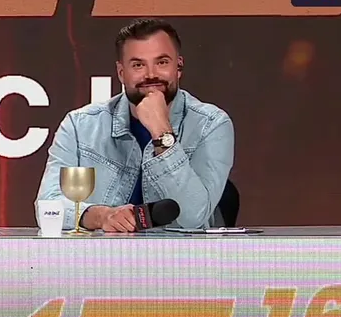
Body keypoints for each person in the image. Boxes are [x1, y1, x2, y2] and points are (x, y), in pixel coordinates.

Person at [36, 18, 233, 231]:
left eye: (162, 62)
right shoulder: (79, 126)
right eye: (138, 65)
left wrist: (162, 133)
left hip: (178, 252)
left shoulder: (211, 125)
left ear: (178, 67)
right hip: (101, 251)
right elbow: (48, 207)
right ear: (121, 73)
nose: (151, 75)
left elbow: (193, 217)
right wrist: (102, 216)